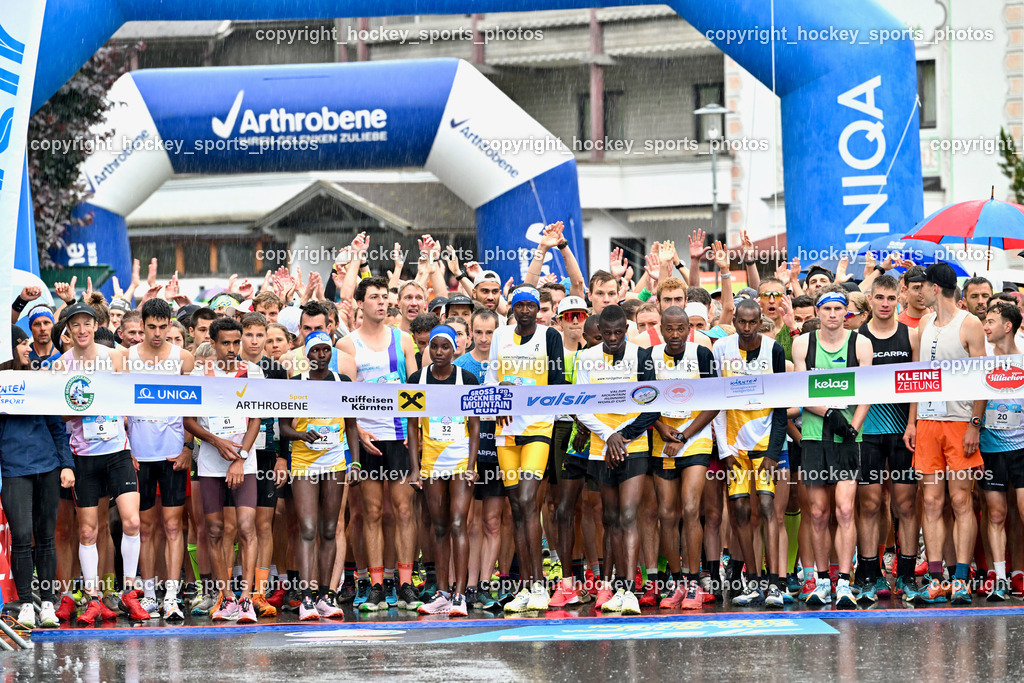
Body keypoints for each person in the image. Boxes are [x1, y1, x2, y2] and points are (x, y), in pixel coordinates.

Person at [51, 303, 147, 624]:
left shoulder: (115, 357)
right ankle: (92, 597)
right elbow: (57, 415)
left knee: (131, 522)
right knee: (88, 530)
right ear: (68, 330)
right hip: (84, 456)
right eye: (74, 325)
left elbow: (132, 397)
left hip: (117, 451)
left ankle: (129, 592)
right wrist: (85, 406)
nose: (81, 330)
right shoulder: (61, 366)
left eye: (86, 324)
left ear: (95, 326)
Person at [904, 263, 987, 605]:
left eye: (921, 286)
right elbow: (915, 375)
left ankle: (963, 579)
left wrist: (975, 424)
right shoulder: (924, 323)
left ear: (935, 288)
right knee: (932, 502)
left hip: (959, 422)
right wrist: (912, 421)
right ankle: (937, 577)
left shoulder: (970, 324)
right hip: (927, 421)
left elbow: (985, 377)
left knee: (960, 501)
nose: (917, 292)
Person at [336, 276, 421, 612]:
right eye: (374, 297)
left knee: (402, 510)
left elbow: (418, 392)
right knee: (370, 512)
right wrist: (356, 430)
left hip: (399, 434)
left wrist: (412, 436)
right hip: (368, 439)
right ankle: (374, 585)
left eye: (385, 297)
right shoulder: (347, 344)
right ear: (360, 303)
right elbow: (344, 397)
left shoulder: (403, 340)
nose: (382, 302)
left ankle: (404, 583)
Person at [792, 286, 874, 608]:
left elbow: (867, 389)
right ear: (817, 312)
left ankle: (844, 583)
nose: (832, 314)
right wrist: (828, 412)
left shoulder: (860, 343)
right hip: (814, 436)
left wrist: (853, 426)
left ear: (846, 313)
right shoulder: (803, 343)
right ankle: (822, 580)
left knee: (844, 510)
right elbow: (801, 390)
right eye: (826, 309)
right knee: (816, 512)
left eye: (838, 309)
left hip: (848, 437)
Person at [574, 305, 658, 615]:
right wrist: (607, 435)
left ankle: (630, 590)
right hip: (600, 448)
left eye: (618, 332)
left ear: (627, 329)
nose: (612, 338)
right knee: (608, 519)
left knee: (627, 515)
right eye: (606, 333)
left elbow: (653, 405)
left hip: (632, 446)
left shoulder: (642, 357)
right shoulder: (587, 358)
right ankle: (609, 584)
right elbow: (579, 405)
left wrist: (621, 436)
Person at [487, 285, 565, 613]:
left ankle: (539, 583)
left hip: (538, 427)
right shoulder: (500, 336)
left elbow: (559, 383)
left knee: (529, 499)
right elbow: (490, 378)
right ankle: (524, 584)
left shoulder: (550, 337)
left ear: (539, 309)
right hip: (505, 431)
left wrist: (526, 391)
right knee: (516, 508)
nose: (525, 311)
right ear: (513, 310)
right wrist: (500, 390)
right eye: (519, 305)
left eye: (531, 306)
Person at [184, 317, 263, 623]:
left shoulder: (252, 372)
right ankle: (225, 597)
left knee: (246, 527)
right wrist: (215, 442)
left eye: (236, 342)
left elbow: (257, 418)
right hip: (211, 461)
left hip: (245, 461)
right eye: (225, 343)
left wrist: (241, 457)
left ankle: (247, 599)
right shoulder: (199, 374)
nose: (232, 349)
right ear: (213, 344)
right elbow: (189, 421)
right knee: (215, 530)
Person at [712, 298, 788, 607]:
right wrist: (724, 449)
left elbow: (782, 405)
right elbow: (714, 401)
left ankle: (773, 584)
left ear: (760, 321)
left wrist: (773, 451)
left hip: (764, 441)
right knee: (740, 510)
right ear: (734, 322)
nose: (746, 328)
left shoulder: (774, 350)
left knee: (767, 506)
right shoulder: (721, 350)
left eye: (752, 322)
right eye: (741, 322)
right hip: (733, 444)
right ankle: (752, 581)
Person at [278, 331, 358, 620]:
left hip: (335, 461)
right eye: (316, 351)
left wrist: (356, 463)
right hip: (303, 462)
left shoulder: (342, 382)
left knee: (328, 529)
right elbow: (282, 428)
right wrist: (301, 434)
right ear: (307, 355)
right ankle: (306, 597)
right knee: (308, 528)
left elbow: (351, 426)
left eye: (326, 350)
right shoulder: (296, 383)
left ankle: (326, 595)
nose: (321, 355)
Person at [1, 326, 75, 628]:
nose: (28, 347)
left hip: (47, 467)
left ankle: (46, 603)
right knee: (21, 538)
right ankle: (25, 603)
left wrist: (66, 464)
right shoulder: (1, 383)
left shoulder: (39, 381)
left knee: (46, 538)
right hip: (13, 469)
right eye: (21, 343)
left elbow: (57, 427)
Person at [126, 299, 195, 621]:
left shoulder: (184, 359)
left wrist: (187, 447)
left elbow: (193, 407)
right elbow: (119, 406)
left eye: (161, 326)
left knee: (171, 525)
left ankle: (171, 595)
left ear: (170, 325)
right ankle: (149, 594)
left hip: (172, 455)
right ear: (142, 325)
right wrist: (126, 449)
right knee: (146, 527)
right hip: (140, 454)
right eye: (150, 327)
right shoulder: (126, 358)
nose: (156, 333)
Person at [647, 307, 718, 610]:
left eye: (681, 329)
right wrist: (663, 430)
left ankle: (693, 582)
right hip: (662, 440)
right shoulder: (649, 356)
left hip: (695, 438)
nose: (675, 335)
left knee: (691, 508)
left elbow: (715, 402)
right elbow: (642, 399)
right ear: (661, 329)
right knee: (666, 513)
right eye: (669, 329)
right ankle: (676, 581)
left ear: (689, 329)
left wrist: (684, 436)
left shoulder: (702, 354)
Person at [856, 275, 920, 603]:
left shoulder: (911, 336)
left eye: (890, 298)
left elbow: (920, 385)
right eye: (879, 297)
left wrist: (912, 424)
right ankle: (869, 573)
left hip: (902, 431)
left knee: (905, 504)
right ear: (869, 299)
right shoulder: (857, 338)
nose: (884, 303)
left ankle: (907, 574)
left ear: (900, 299)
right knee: (868, 504)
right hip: (867, 433)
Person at [408, 326, 481, 616]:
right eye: (434, 347)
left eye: (445, 347)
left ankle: (460, 595)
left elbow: (475, 426)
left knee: (457, 523)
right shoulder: (418, 379)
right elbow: (412, 426)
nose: (439, 352)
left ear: (455, 350)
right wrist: (415, 468)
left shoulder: (467, 379)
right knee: (438, 527)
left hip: (460, 455)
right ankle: (442, 592)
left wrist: (472, 466)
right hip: (432, 460)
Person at [455, 308, 504, 611]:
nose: (485, 339)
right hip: (469, 453)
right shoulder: (461, 366)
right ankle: (469, 586)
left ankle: (486, 585)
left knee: (493, 523)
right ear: (470, 333)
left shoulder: (507, 362)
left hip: (500, 449)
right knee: (470, 523)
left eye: (491, 333)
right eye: (480, 332)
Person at [978, 301, 1024, 601]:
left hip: (1022, 446)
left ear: (1007, 326)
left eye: (991, 321)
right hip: (990, 447)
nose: (985, 325)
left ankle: (1019, 572)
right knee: (995, 513)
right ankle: (999, 576)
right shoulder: (980, 360)